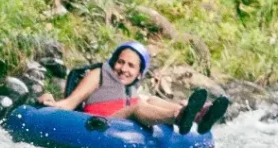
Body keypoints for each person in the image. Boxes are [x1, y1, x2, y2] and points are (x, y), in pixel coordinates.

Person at [37, 41, 229, 134]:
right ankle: (179, 117)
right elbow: (71, 103)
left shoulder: (131, 89)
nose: (123, 69)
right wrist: (51, 103)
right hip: (102, 124)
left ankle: (198, 115)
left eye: (130, 66)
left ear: (139, 73)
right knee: (138, 106)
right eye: (120, 62)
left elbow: (142, 101)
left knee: (148, 99)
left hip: (123, 120)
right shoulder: (98, 75)